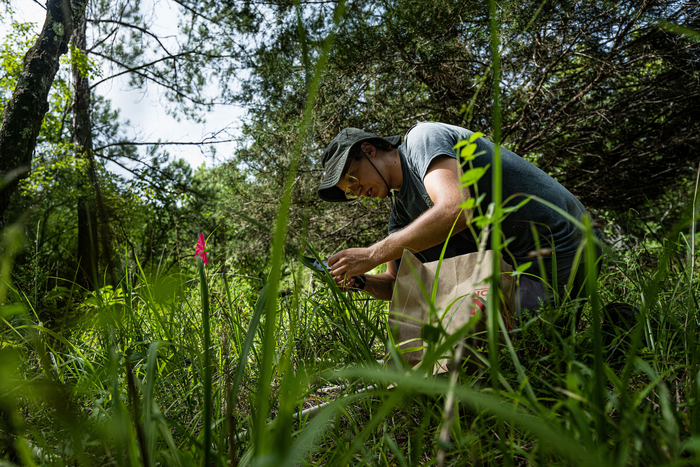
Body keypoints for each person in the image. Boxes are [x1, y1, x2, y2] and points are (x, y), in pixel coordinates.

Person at [318, 122, 599, 313]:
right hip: (515, 272)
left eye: (352, 179)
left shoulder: (421, 139)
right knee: (450, 323)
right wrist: (361, 280)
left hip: (564, 249)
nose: (357, 191)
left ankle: (612, 329)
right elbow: (399, 285)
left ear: (369, 150)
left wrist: (371, 254)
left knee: (484, 334)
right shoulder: (401, 216)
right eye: (349, 192)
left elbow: (457, 209)